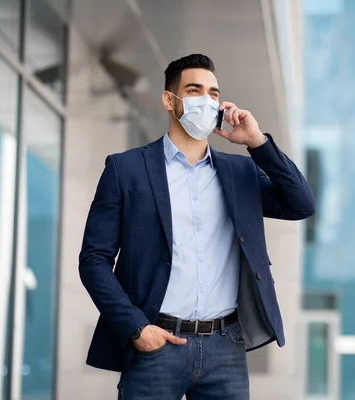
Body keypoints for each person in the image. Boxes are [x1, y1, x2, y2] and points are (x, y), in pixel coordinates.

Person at [79, 53, 315, 400]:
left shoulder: (240, 174)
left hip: (226, 347)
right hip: (156, 344)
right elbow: (94, 260)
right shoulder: (125, 170)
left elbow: (301, 204)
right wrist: (136, 328)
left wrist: (257, 143)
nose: (206, 100)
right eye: (194, 90)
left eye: (214, 93)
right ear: (168, 99)